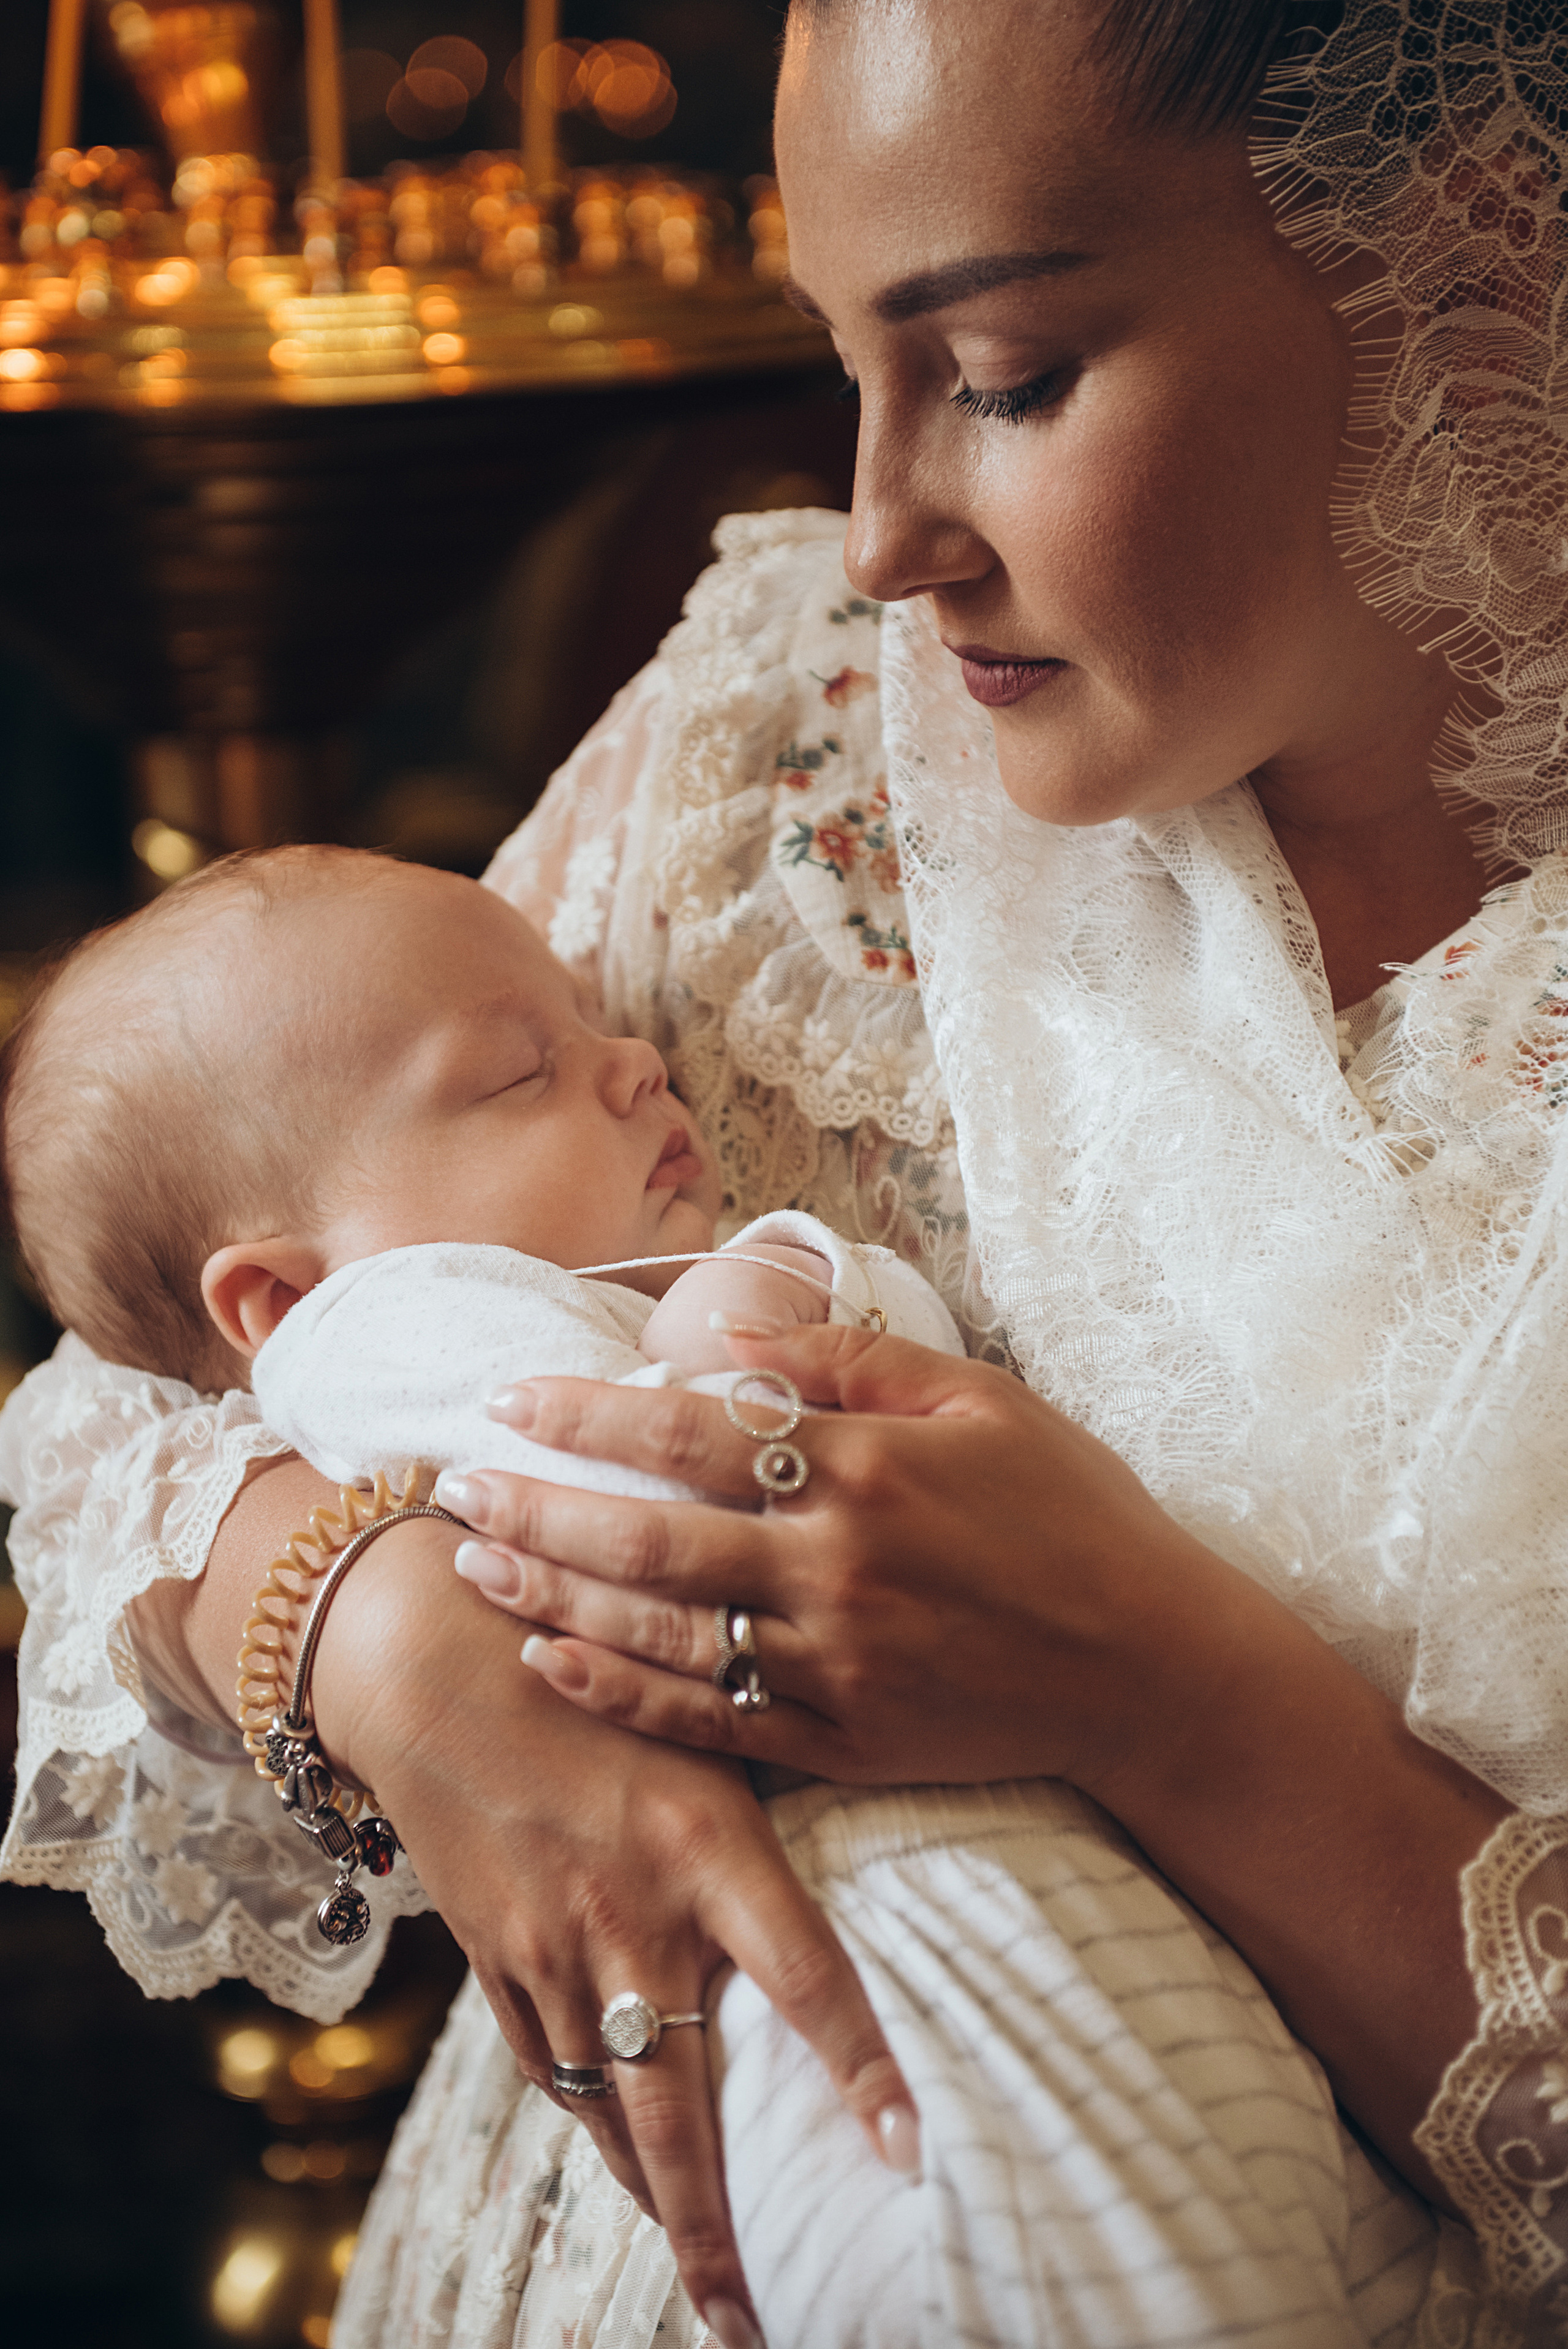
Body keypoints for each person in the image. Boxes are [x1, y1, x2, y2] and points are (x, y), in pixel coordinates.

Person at [6, 0, 1568, 2340]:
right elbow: (143, 1377)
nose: (878, 535)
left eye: (1012, 373)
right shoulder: (787, 731)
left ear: (1483, 243)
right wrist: (391, 1640)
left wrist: (1166, 1693)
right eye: (846, 358)